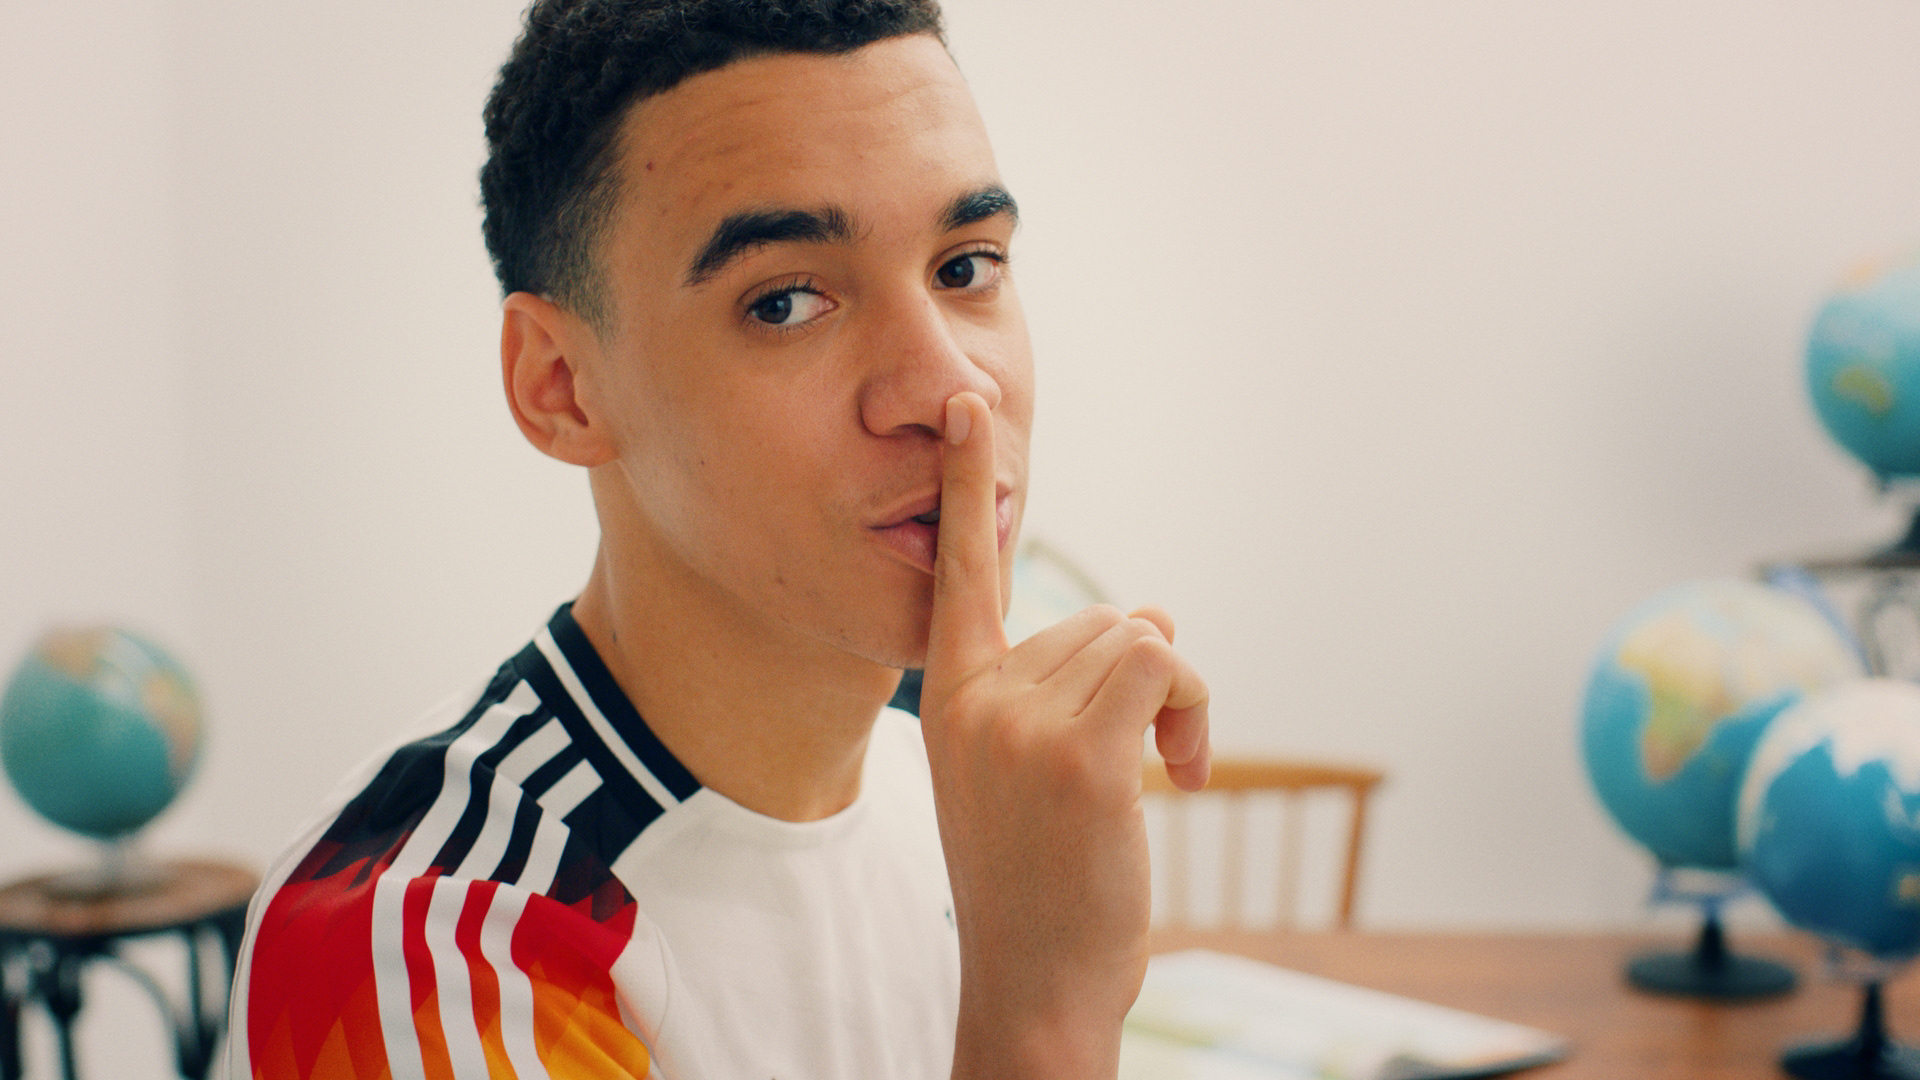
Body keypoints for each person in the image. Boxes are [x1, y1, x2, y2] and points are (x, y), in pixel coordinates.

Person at [225, 1, 1210, 1077]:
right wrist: (1044, 1012)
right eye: (786, 302)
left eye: (966, 267)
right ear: (560, 387)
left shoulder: (960, 798)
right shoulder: (424, 950)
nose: (951, 390)